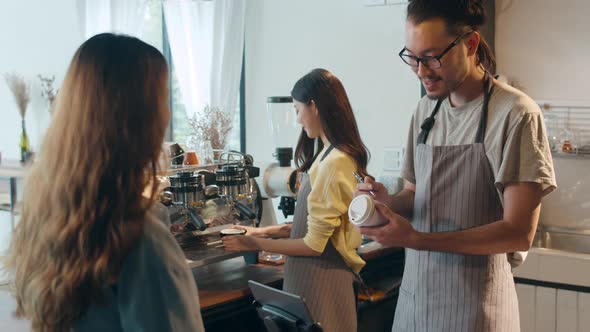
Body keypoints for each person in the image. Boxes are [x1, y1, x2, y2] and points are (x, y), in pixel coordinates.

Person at [355, 1, 556, 331]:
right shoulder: (425, 112)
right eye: (412, 57)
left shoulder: (516, 114)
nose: (421, 71)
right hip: (415, 306)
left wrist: (417, 239)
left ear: (470, 44)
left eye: (432, 57)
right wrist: (385, 202)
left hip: (475, 310)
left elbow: (519, 232)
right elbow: (415, 194)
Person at [4, 33, 205, 332]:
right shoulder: (141, 240)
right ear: (140, 119)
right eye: (162, 98)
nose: (168, 114)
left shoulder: (49, 219)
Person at [223, 68, 369, 331]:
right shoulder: (328, 155)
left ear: (314, 106)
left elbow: (314, 245)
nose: (298, 119)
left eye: (297, 109)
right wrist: (260, 231)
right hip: (307, 278)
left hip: (320, 283)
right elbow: (311, 225)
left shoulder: (334, 162)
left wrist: (252, 242)